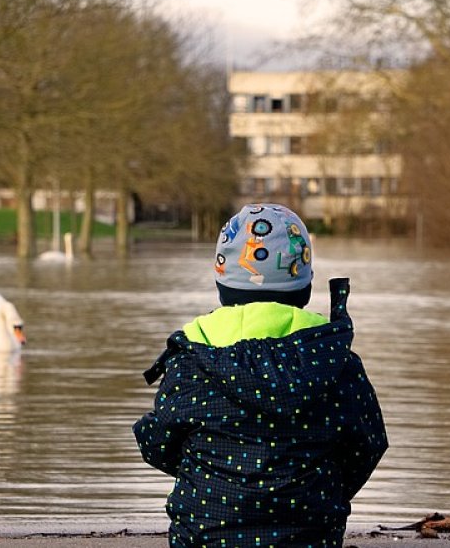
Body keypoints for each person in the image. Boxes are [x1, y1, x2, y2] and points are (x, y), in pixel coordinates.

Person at [133, 203, 388, 548]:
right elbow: (367, 445)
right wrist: (322, 485)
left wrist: (209, 468)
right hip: (309, 538)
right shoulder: (334, 362)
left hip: (205, 538)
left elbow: (158, 444)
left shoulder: (191, 361)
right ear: (306, 287)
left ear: (221, 283)